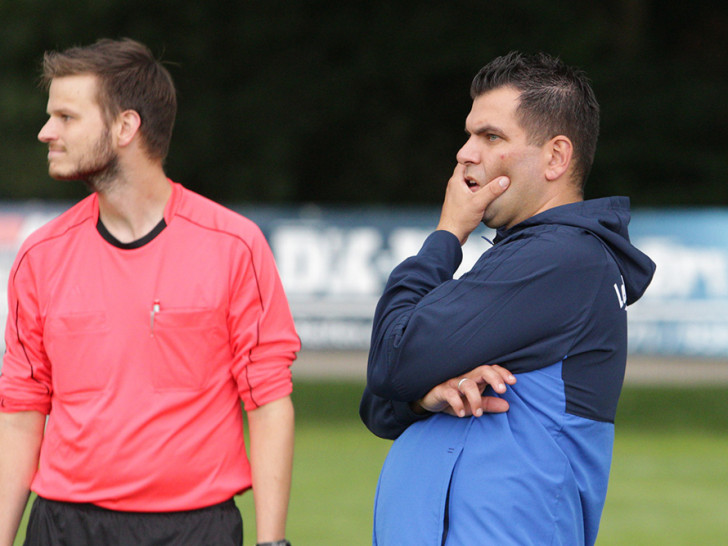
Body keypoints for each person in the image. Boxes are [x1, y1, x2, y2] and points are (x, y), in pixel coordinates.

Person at [0, 38, 298, 546]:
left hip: (196, 527)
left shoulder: (234, 246)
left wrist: (272, 543)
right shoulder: (40, 256)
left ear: (125, 127)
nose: (46, 131)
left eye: (67, 117)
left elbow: (268, 404)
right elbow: (22, 411)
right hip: (64, 526)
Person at [359, 51, 656, 545]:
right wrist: (424, 395)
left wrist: (447, 234)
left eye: (491, 136)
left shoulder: (563, 257)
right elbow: (380, 401)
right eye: (470, 133)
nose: (465, 153)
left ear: (556, 157)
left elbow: (392, 357)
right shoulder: (528, 258)